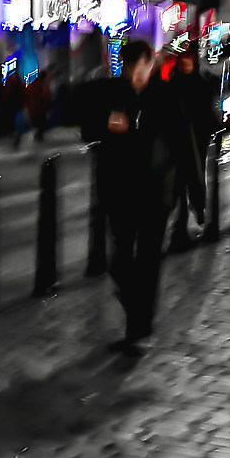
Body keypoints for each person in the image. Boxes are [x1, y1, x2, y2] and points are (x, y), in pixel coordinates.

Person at [91, 41, 201, 344]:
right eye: (127, 68)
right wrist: (105, 123)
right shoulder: (112, 92)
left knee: (149, 259)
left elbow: (185, 144)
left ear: (149, 64)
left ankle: (137, 328)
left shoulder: (166, 95)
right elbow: (86, 124)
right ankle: (137, 313)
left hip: (156, 192)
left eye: (138, 68)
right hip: (120, 191)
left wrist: (197, 194)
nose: (134, 75)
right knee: (120, 262)